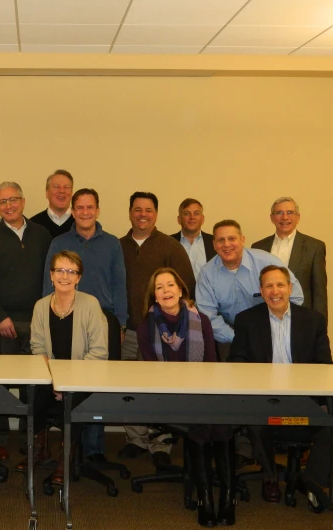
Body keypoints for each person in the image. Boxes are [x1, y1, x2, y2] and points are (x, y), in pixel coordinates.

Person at [196, 219, 304, 468]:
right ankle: (240, 447)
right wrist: (240, 338)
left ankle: (269, 440)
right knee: (233, 392)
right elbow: (207, 316)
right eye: (221, 240)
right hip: (228, 336)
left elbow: (295, 294)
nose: (227, 244)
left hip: (269, 333)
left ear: (242, 240)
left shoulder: (266, 262)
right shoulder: (207, 273)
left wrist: (277, 327)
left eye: (232, 238)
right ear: (214, 244)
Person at [229, 265, 333, 508]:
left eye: (280, 285)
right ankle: (270, 477)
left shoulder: (313, 320)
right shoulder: (247, 320)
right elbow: (236, 362)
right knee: (256, 421)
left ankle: (313, 481)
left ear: (290, 288)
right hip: (265, 398)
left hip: (302, 398)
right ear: (261, 291)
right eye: (268, 286)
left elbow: (325, 365)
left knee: (330, 423)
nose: (275, 291)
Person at [138, 268, 236, 527]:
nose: (166, 290)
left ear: (181, 290)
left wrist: (201, 392)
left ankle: (227, 498)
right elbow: (153, 372)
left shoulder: (200, 320)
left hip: (203, 390)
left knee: (222, 424)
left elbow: (211, 364)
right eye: (160, 287)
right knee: (202, 425)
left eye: (171, 285)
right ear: (154, 296)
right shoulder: (146, 327)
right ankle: (206, 499)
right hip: (168, 396)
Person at [43, 188, 126, 464]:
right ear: (73, 210)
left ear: (98, 210)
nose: (85, 212)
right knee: (68, 379)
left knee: (96, 385)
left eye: (90, 207)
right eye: (80, 208)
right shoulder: (59, 242)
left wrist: (121, 323)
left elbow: (119, 284)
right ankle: (70, 448)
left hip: (102, 320)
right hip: (66, 318)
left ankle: (94, 449)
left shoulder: (112, 243)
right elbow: (48, 285)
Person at [0, 181, 52, 461]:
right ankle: (1, 439)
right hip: (2, 324)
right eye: (2, 202)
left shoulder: (43, 236)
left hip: (37, 324)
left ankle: (34, 436)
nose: (8, 206)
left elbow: (51, 279)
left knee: (36, 384)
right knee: (1, 384)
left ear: (23, 201)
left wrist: (45, 317)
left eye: (13, 200)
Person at [17, 250, 108, 485]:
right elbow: (38, 348)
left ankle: (65, 459)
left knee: (73, 398)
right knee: (31, 391)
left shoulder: (90, 305)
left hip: (84, 377)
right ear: (51, 275)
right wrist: (54, 381)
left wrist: (67, 383)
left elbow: (98, 353)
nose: (65, 276)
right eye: (60, 270)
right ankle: (39, 448)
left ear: (79, 277)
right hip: (51, 376)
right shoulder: (40, 306)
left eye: (71, 271)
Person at [118, 191, 195, 465]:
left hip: (161, 333)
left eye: (148, 210)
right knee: (129, 387)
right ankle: (135, 439)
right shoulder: (119, 246)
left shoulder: (171, 247)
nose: (142, 214)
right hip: (127, 330)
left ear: (156, 214)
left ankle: (161, 443)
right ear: (130, 212)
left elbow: (186, 289)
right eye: (137, 209)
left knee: (160, 387)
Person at [251, 197, 328, 320]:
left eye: (290, 212)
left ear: (298, 217)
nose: (285, 217)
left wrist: (320, 327)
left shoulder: (314, 247)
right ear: (272, 218)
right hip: (265, 317)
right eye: (279, 213)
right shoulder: (258, 247)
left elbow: (319, 293)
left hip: (302, 317)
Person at [171, 198, 216, 281]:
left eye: (196, 213)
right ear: (179, 219)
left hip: (208, 293)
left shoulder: (215, 242)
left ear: (202, 219)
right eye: (187, 213)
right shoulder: (168, 242)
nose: (192, 217)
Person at [29, 169, 74, 238]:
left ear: (71, 193)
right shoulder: (32, 225)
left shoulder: (81, 223)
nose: (62, 191)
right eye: (56, 187)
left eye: (66, 187)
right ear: (47, 193)